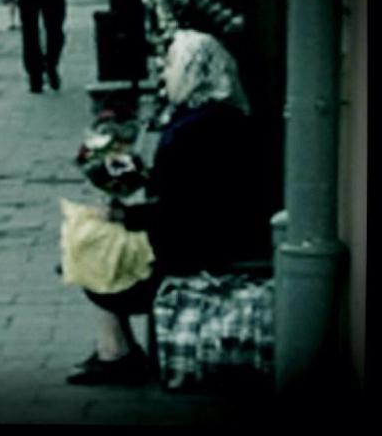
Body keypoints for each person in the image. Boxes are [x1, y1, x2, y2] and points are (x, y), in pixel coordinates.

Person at [67, 29, 264, 385]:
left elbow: (179, 212)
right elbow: (187, 194)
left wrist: (124, 216)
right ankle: (116, 349)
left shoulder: (192, 130)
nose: (163, 72)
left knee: (87, 243)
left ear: (193, 71)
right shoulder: (221, 116)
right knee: (93, 233)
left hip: (197, 248)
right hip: (222, 234)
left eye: (171, 64)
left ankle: (116, 354)